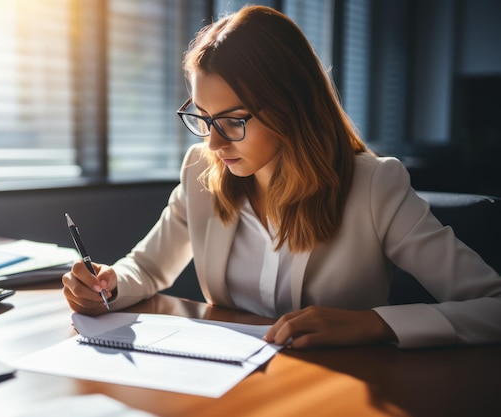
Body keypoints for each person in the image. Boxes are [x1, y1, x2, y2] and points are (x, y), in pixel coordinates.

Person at [63, 5, 501, 349]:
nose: (214, 145)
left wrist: (373, 324)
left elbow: (492, 307)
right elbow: (148, 266)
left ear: (290, 105)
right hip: (230, 380)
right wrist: (108, 284)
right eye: (204, 118)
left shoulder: (375, 186)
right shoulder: (203, 168)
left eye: (233, 121)